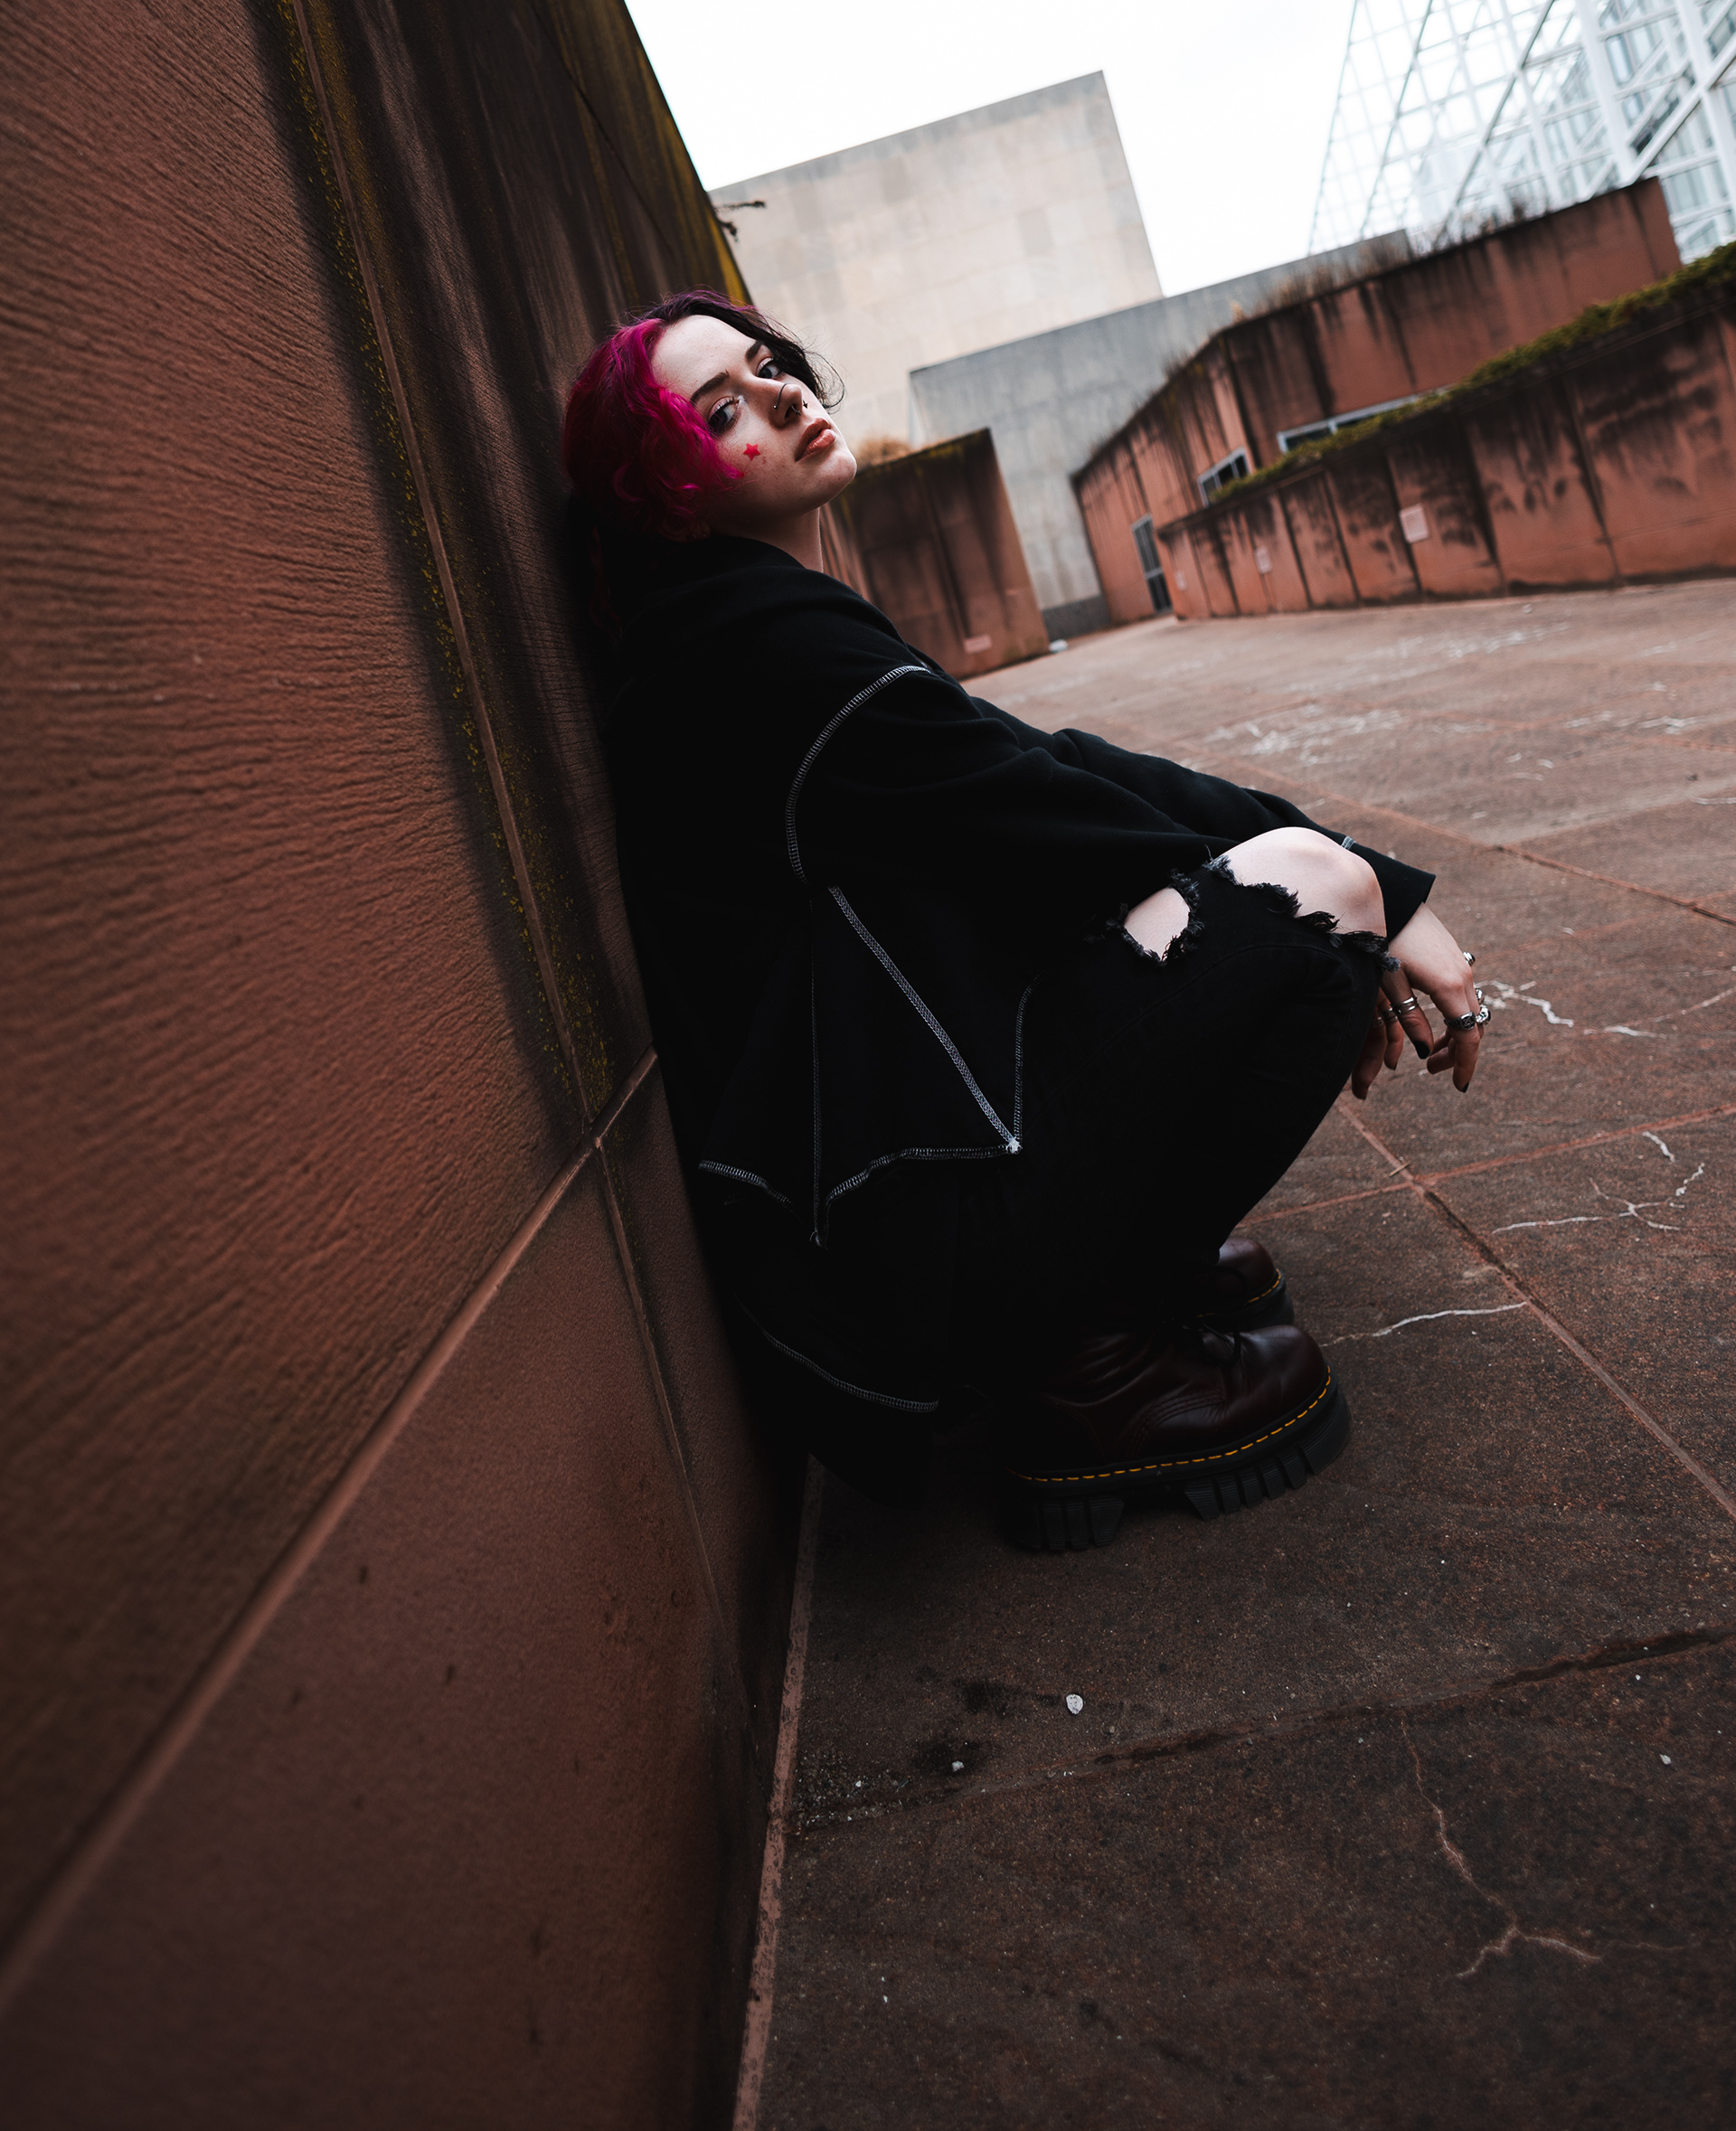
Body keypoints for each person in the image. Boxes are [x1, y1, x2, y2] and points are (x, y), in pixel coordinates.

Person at [563, 291, 1489, 1550]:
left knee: (1311, 890)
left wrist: (1382, 885)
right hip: (902, 1256)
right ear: (668, 496)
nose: (782, 392)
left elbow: (1041, 762)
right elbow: (1052, 808)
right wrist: (1364, 900)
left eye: (769, 364)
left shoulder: (739, 624)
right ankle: (1093, 1358)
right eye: (723, 409)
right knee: (1310, 898)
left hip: (891, 1211)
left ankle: (1120, 1276)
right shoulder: (753, 649)